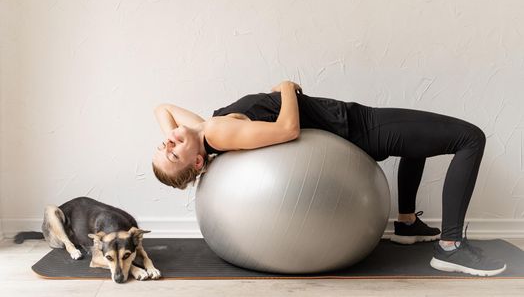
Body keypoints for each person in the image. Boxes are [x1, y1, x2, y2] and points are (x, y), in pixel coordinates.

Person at [152, 80, 506, 276]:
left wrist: (176, 144)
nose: (168, 142)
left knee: (420, 141)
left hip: (351, 124)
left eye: (163, 145)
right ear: (199, 162)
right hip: (358, 127)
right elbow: (288, 130)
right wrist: (287, 88)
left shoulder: (204, 129)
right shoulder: (216, 130)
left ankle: (408, 223)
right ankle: (451, 247)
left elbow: (162, 108)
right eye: (173, 153)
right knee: (469, 138)